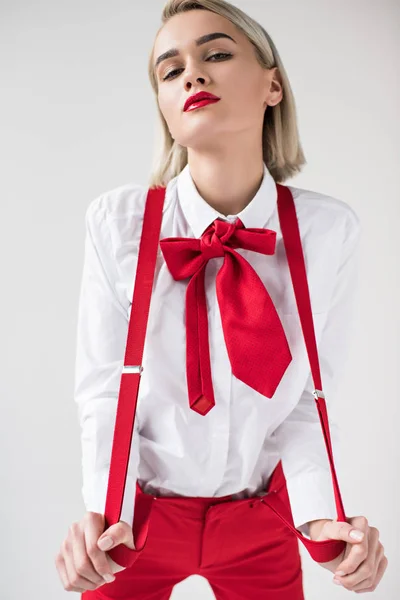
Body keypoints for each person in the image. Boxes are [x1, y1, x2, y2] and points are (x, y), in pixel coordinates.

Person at [55, 0, 387, 597]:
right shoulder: (118, 223)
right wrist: (104, 512)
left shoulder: (326, 230)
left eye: (216, 53)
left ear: (272, 85)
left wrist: (323, 521)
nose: (193, 75)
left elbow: (309, 398)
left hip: (263, 522)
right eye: (170, 69)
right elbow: (106, 389)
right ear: (163, 105)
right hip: (137, 524)